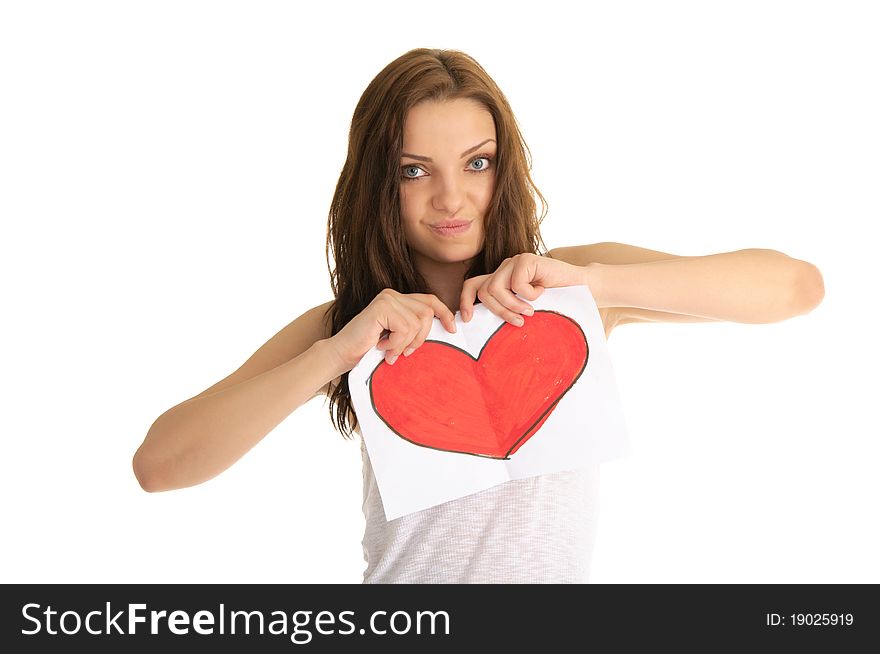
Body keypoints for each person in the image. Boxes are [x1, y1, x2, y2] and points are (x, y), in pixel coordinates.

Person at [132, 48, 825, 583]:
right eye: (415, 171)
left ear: (505, 166)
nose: (450, 198)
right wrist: (333, 355)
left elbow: (796, 288)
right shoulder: (346, 327)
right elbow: (159, 464)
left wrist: (591, 280)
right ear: (380, 184)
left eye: (476, 163)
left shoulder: (570, 290)